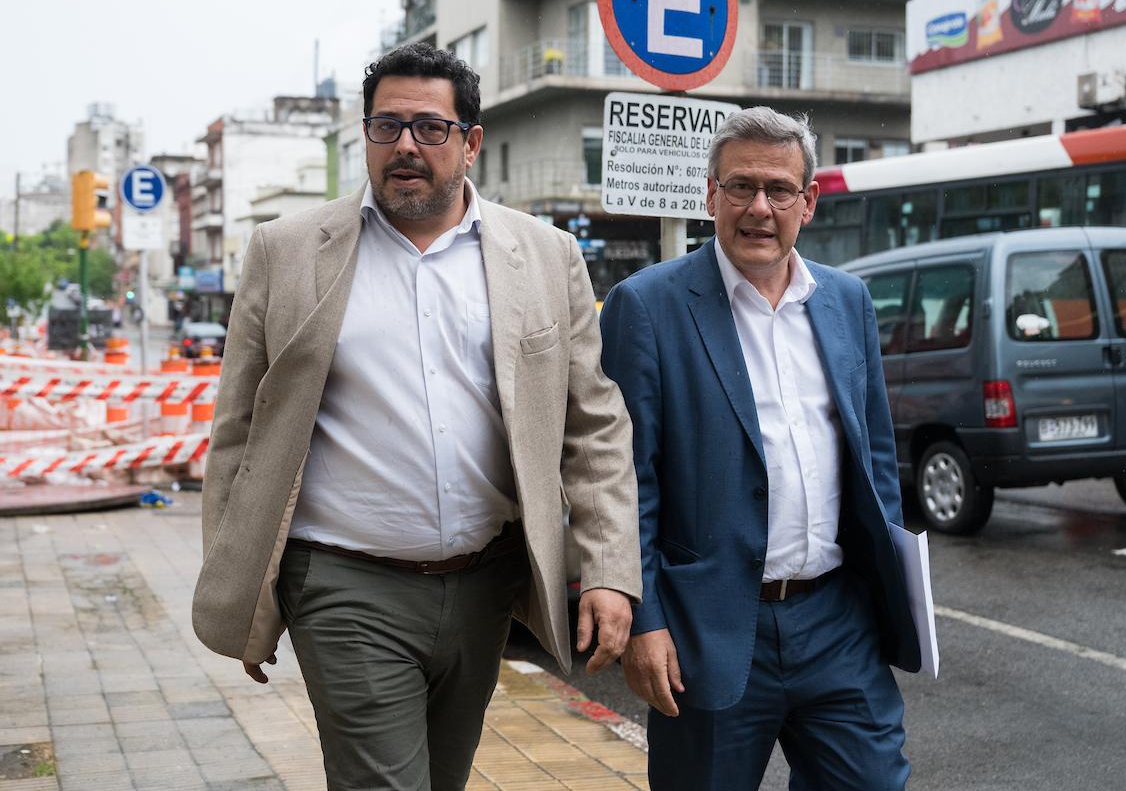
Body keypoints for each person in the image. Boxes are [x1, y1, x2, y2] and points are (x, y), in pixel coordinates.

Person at [192, 43, 641, 790]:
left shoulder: (546, 256)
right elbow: (239, 430)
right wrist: (242, 588)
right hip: (342, 583)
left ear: (470, 143)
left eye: (430, 128)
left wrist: (605, 567)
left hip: (486, 584)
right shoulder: (287, 252)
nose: (405, 145)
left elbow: (591, 426)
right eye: (386, 126)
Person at [599, 107, 921, 790]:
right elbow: (625, 483)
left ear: (808, 202)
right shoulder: (648, 306)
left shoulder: (847, 301)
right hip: (705, 633)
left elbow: (875, 461)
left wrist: (888, 585)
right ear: (711, 194)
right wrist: (644, 621)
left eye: (779, 190)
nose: (759, 208)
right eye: (741, 187)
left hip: (838, 624)